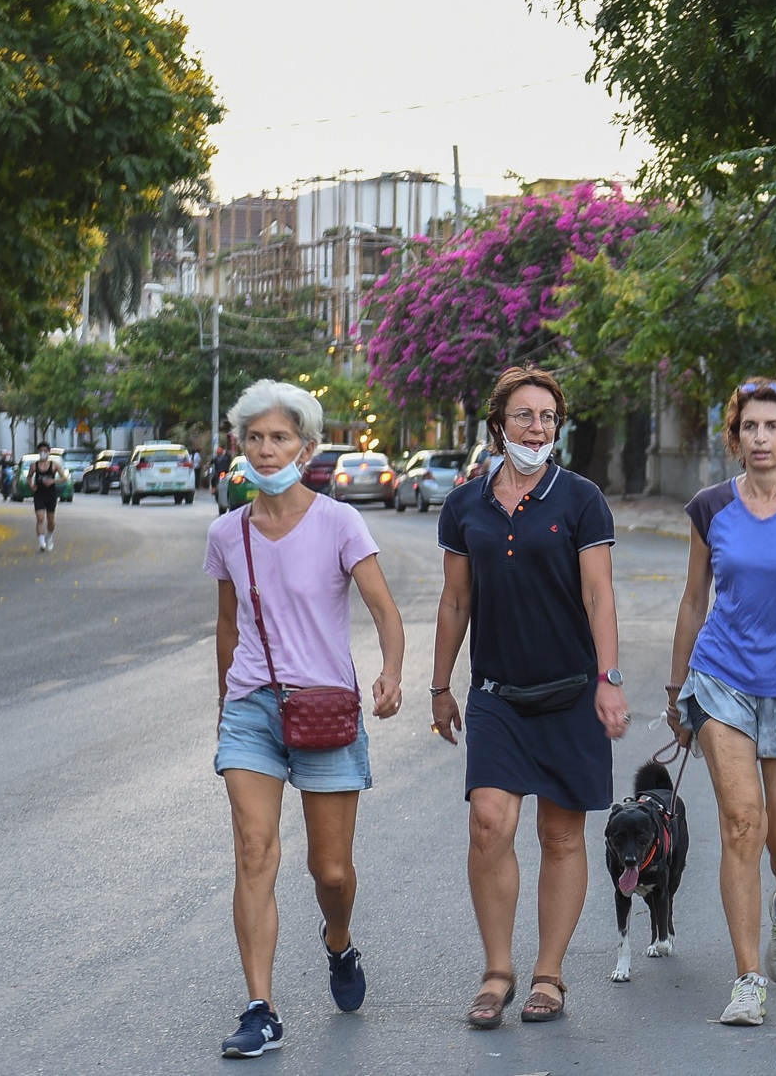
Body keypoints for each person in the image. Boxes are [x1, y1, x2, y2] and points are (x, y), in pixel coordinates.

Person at [205, 379, 407, 1059]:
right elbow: (227, 628)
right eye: (255, 438)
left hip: (325, 707)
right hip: (253, 711)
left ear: (308, 446)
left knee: (332, 872)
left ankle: (338, 941)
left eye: (280, 437)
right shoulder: (227, 532)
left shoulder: (339, 521)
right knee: (255, 849)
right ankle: (260, 1007)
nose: (266, 449)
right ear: (241, 447)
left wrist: (390, 672)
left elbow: (383, 607)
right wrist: (225, 713)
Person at [429, 366, 628, 1029]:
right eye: (525, 415)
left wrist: (609, 679)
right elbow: (457, 599)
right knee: (489, 823)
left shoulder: (580, 499)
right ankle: (497, 970)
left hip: (572, 692)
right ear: (498, 425)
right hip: (496, 694)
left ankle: (549, 972)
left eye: (548, 416)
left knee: (561, 833)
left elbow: (599, 596)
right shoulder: (465, 505)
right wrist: (438, 685)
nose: (538, 427)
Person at [666, 377, 776, 1027]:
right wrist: (676, 686)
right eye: (750, 427)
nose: (762, 438)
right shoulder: (710, 506)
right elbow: (693, 600)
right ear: (736, 437)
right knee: (745, 822)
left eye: (774, 426)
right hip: (721, 681)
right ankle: (747, 978)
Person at [29, 442, 67, 552]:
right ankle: (41, 542)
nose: (43, 453)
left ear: (49, 452)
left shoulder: (54, 465)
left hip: (51, 494)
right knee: (40, 518)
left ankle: (49, 537)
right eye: (41, 451)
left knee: (50, 520)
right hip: (39, 494)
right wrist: (31, 486)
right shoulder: (34, 466)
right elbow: (29, 477)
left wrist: (53, 481)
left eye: (45, 451)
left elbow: (64, 477)